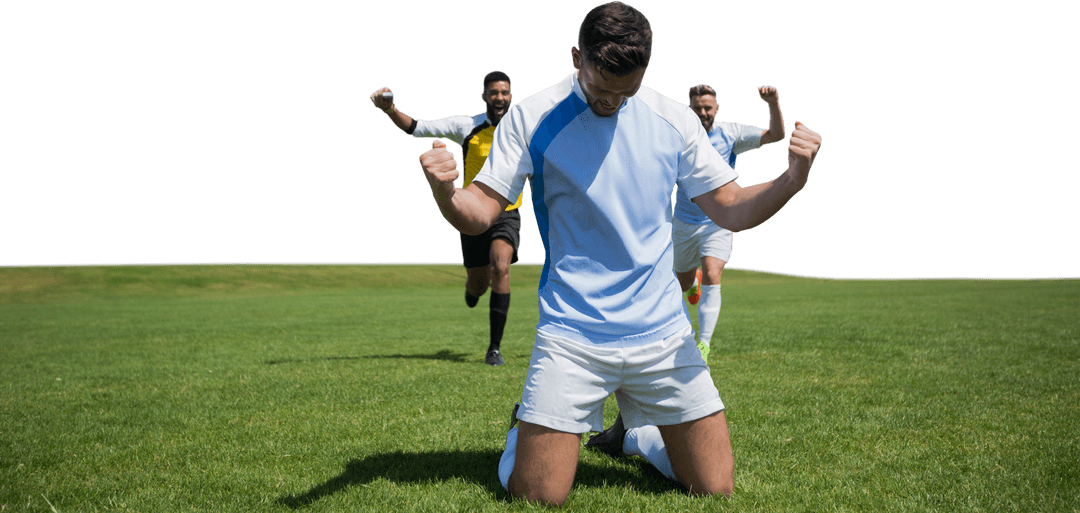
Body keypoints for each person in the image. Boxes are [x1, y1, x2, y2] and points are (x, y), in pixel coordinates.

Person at [417, 2, 822, 506]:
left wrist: (790, 181)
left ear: (646, 71)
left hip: (663, 331)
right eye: (599, 87)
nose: (610, 101)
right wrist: (446, 194)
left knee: (714, 487)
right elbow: (479, 211)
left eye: (624, 90)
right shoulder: (531, 116)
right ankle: (527, 427)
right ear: (575, 57)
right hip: (573, 332)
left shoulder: (673, 119)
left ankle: (635, 436)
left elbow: (731, 207)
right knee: (541, 496)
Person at [369, 71, 521, 367]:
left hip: (508, 210)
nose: (499, 98)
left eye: (504, 92)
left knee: (500, 266)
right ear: (484, 96)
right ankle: (472, 289)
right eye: (494, 92)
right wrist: (390, 110)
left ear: (511, 96)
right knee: (478, 285)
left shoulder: (521, 129)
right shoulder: (466, 125)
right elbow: (417, 127)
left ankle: (494, 349)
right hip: (473, 208)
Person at [675, 83, 786, 364]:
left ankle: (703, 344)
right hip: (683, 223)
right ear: (690, 109)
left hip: (718, 220)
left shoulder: (730, 133)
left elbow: (776, 135)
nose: (703, 113)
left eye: (707, 108)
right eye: (697, 108)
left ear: (716, 109)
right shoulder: (678, 136)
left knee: (713, 272)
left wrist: (772, 102)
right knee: (683, 280)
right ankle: (692, 284)